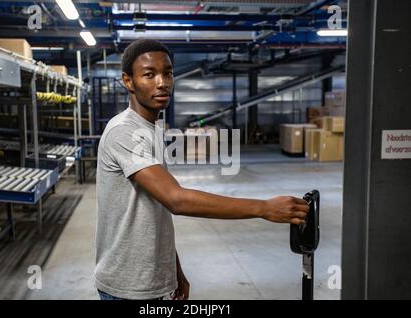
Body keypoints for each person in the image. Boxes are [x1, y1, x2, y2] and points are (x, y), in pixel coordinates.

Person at [94, 39, 309, 301]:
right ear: (128, 81)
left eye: (168, 73)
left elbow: (155, 210)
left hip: (150, 281)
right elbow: (176, 199)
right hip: (126, 286)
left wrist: (173, 271)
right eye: (149, 74)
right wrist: (263, 208)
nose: (162, 82)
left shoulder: (151, 129)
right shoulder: (125, 132)